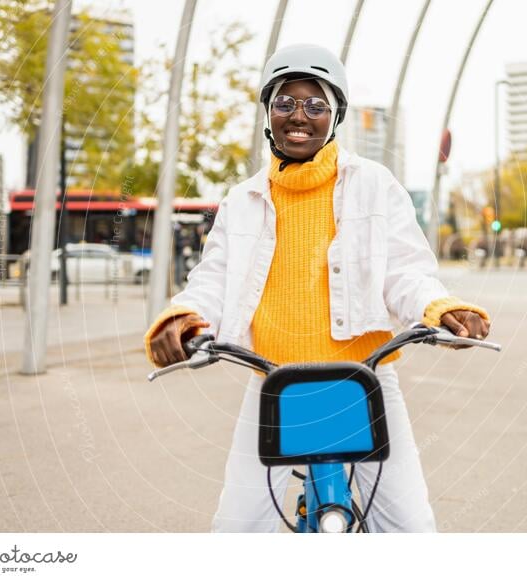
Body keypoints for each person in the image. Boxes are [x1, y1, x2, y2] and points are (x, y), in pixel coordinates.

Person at [144, 44, 491, 533]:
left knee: (411, 528)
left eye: (315, 104)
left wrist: (440, 307)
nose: (299, 115)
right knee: (237, 529)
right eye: (285, 103)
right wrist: (181, 317)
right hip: (274, 381)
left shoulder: (374, 184)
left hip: (363, 381)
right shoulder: (241, 201)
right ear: (268, 115)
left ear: (335, 116)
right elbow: (213, 280)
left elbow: (406, 272)